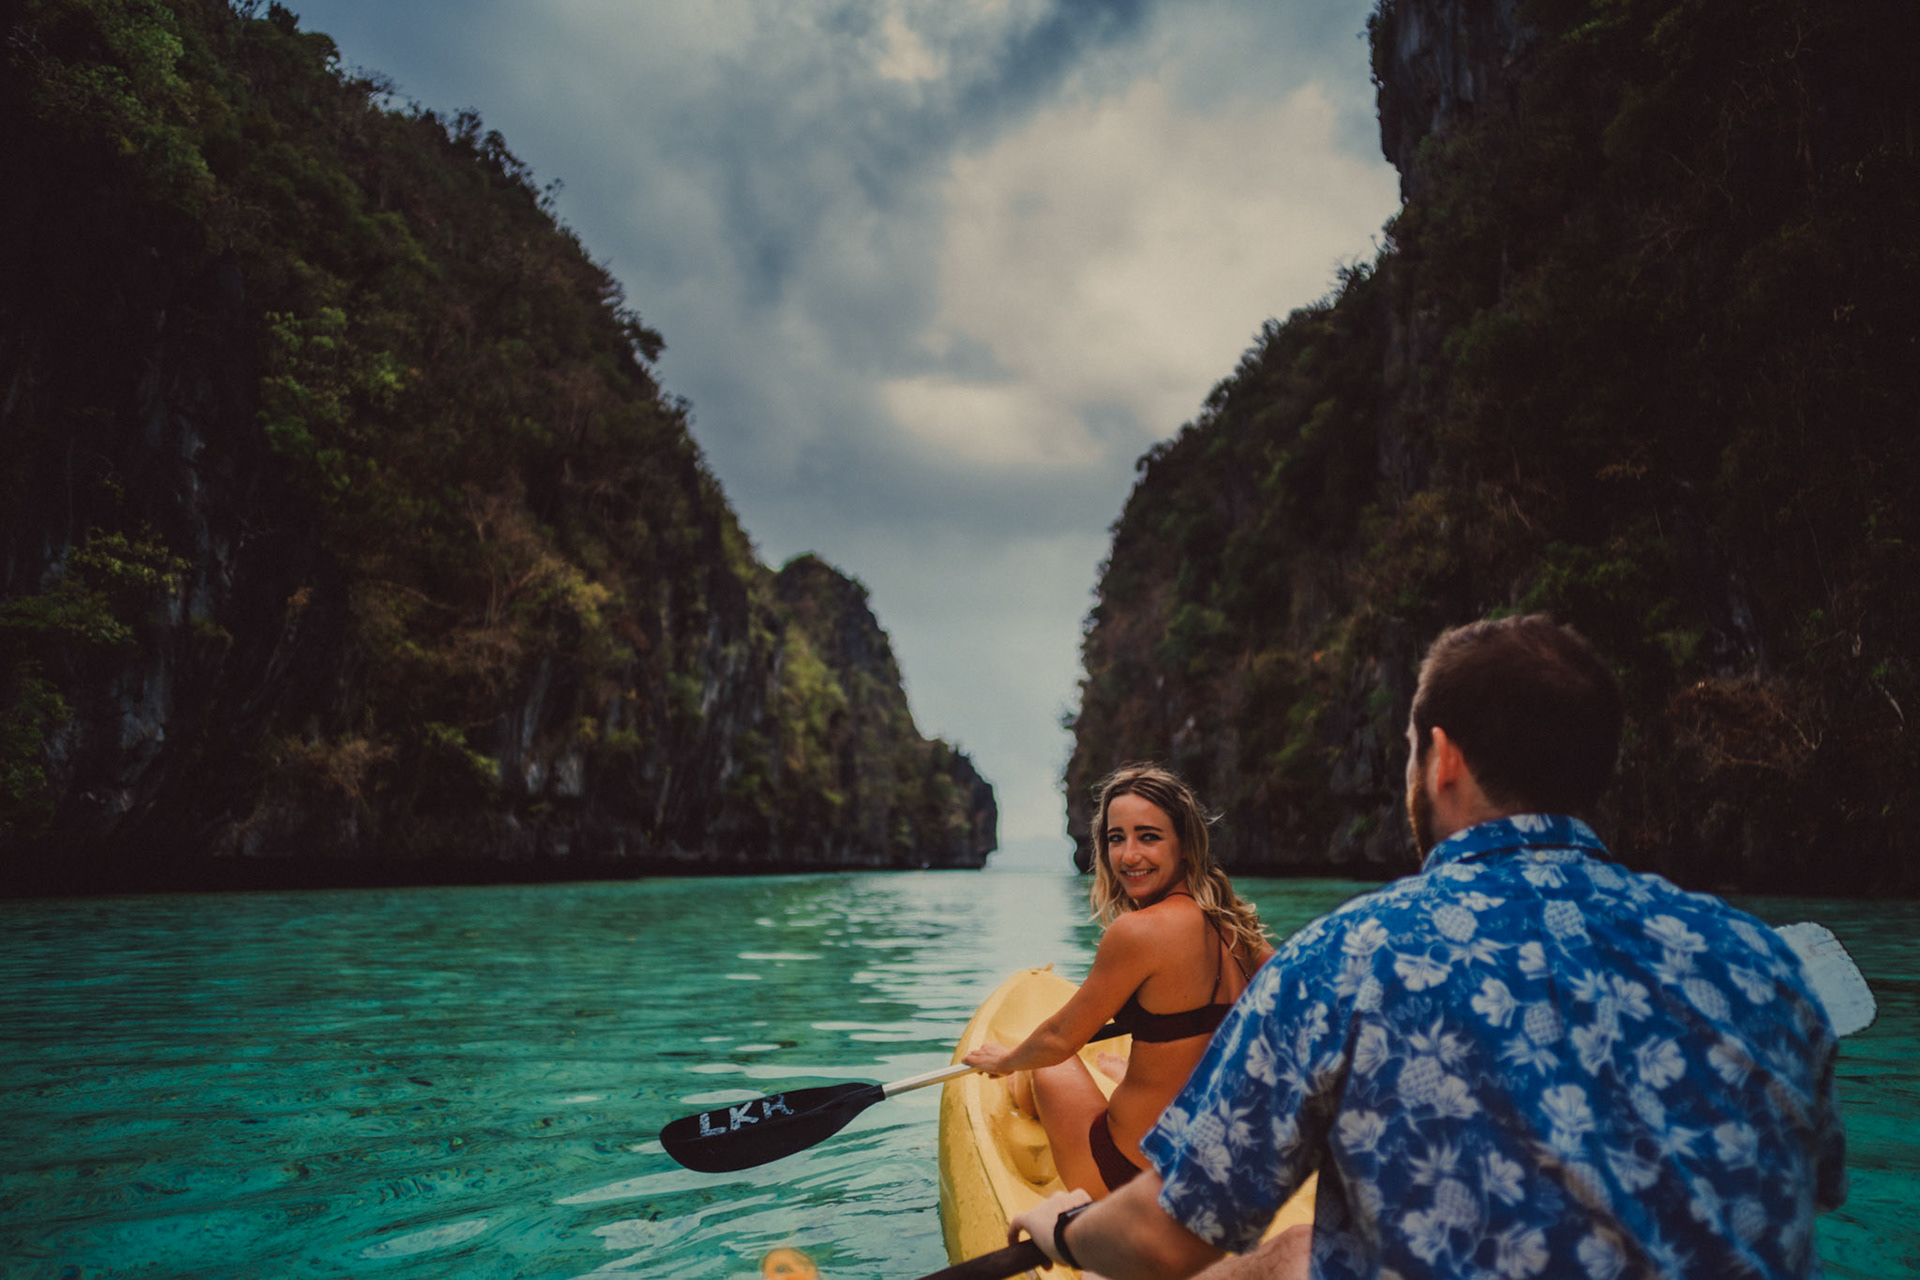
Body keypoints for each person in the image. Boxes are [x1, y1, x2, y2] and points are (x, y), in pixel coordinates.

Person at [1009, 614, 1847, 1279]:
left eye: (1411, 749)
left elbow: (1165, 1242)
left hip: (1157, 1202)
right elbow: (1818, 1187)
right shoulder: (1759, 963)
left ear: (1440, 759)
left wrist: (1064, 1229)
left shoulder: (1344, 960)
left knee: (1280, 1258)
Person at [964, 763, 1274, 1198]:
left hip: (1126, 1178)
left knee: (1049, 1068)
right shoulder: (1239, 933)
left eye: (1148, 837)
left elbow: (1057, 1039)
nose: (1128, 856)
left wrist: (1007, 1060)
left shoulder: (1136, 933)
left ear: (1184, 844)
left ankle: (1019, 1089)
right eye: (1116, 838)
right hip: (1213, 1179)